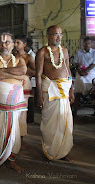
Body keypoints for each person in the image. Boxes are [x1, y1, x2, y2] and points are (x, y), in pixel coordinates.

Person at [0, 33, 27, 175]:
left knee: (14, 130)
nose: (5, 45)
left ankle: (11, 160)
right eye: (2, 43)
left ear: (13, 44)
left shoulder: (20, 60)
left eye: (8, 42)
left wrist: (2, 72)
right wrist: (16, 76)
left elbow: (23, 71)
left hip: (15, 101)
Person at [36, 25, 74, 162]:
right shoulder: (43, 52)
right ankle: (50, 150)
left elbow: (68, 70)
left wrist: (71, 90)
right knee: (50, 124)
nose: (58, 37)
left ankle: (63, 151)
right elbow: (38, 74)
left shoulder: (64, 50)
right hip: (50, 91)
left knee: (65, 122)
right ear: (48, 36)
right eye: (55, 34)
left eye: (60, 34)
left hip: (64, 90)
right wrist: (39, 95)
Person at [14, 34, 36, 148]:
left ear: (24, 44)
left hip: (24, 84)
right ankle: (13, 136)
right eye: (15, 42)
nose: (16, 45)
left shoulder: (28, 57)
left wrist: (24, 69)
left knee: (22, 112)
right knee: (14, 111)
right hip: (14, 84)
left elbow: (36, 72)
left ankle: (21, 138)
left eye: (18, 43)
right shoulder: (12, 56)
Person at [73, 36, 95, 116]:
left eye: (88, 44)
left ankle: (94, 110)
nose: (87, 45)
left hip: (91, 74)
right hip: (80, 73)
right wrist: (80, 71)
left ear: (91, 44)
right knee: (78, 91)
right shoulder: (79, 52)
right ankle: (75, 111)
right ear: (83, 44)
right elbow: (75, 63)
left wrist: (86, 71)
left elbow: (93, 64)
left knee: (93, 91)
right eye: (85, 44)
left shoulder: (94, 52)